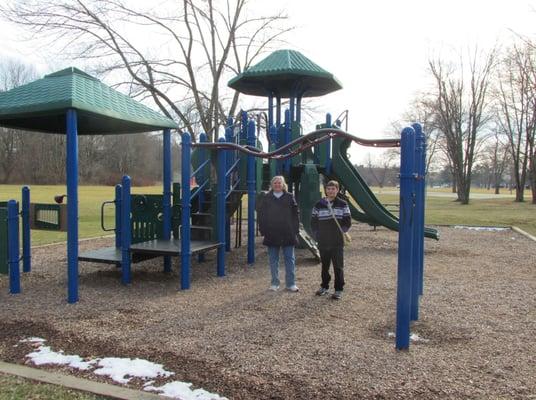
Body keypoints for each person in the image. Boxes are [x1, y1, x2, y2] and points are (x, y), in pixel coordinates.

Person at [258, 176, 300, 292]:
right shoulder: (267, 197)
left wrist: (295, 230)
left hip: (288, 232)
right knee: (273, 260)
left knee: (289, 259)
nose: (277, 185)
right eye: (275, 183)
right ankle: (274, 283)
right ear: (272, 185)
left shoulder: (290, 197)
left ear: (283, 185)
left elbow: (295, 215)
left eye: (279, 183)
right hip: (272, 233)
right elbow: (261, 215)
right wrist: (263, 230)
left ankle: (291, 284)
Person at [310, 180, 351, 300]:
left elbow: (347, 221)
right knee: (325, 266)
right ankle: (324, 286)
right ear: (325, 190)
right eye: (329, 189)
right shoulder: (318, 204)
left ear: (337, 190)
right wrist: (317, 234)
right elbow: (313, 221)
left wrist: (341, 232)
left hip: (337, 241)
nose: (331, 191)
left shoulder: (343, 204)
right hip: (323, 241)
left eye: (333, 189)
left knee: (338, 266)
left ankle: (338, 289)